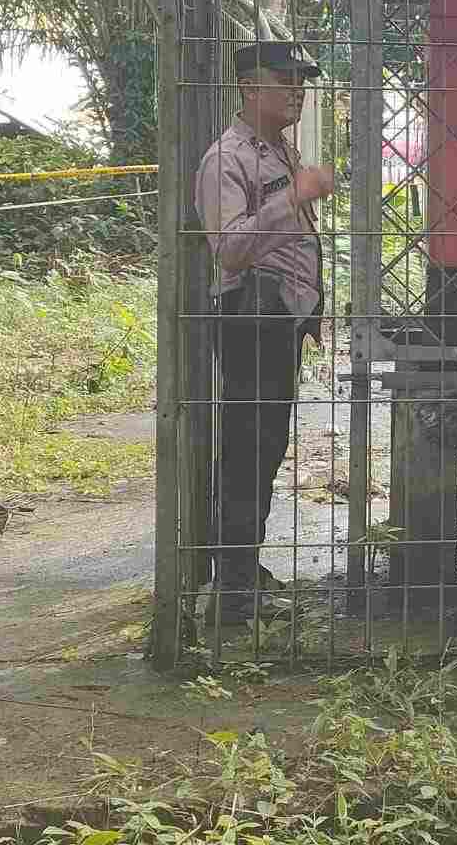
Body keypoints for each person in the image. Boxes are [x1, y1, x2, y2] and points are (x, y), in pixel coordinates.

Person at [194, 41, 333, 625]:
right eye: (284, 80)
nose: (297, 90)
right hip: (251, 318)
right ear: (249, 88)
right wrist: (294, 197)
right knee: (250, 449)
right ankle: (232, 592)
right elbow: (229, 249)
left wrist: (310, 310)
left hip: (277, 319)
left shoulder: (278, 150)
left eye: (300, 80)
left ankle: (241, 568)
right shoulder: (227, 158)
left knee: (263, 446)